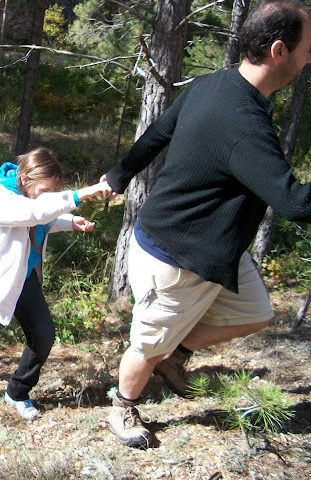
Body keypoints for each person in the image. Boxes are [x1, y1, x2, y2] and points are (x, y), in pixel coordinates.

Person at [99, 0, 311, 447]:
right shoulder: (245, 125)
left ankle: (178, 355)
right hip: (176, 256)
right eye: (308, 48)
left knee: (256, 313)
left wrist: (120, 175)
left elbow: (157, 134)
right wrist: (119, 176)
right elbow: (294, 203)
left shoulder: (216, 84)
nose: (310, 58)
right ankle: (123, 407)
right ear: (279, 50)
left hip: (217, 247)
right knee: (145, 346)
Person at [0, 147, 115, 419]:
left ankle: (17, 391)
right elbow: (31, 213)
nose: (46, 197)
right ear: (26, 179)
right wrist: (83, 193)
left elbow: (42, 219)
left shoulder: (29, 199)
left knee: (43, 336)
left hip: (23, 279)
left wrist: (70, 222)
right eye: (44, 191)